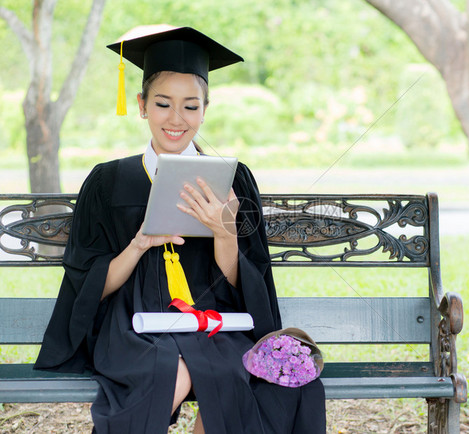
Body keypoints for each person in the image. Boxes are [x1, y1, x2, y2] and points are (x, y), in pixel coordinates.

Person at [34, 26, 326, 433]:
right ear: (141, 105)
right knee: (175, 371)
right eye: (162, 103)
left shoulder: (232, 180)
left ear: (206, 108)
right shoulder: (107, 182)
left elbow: (248, 285)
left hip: (214, 323)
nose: (176, 119)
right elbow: (88, 288)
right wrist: (137, 246)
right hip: (133, 326)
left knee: (231, 374)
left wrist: (224, 232)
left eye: (191, 106)